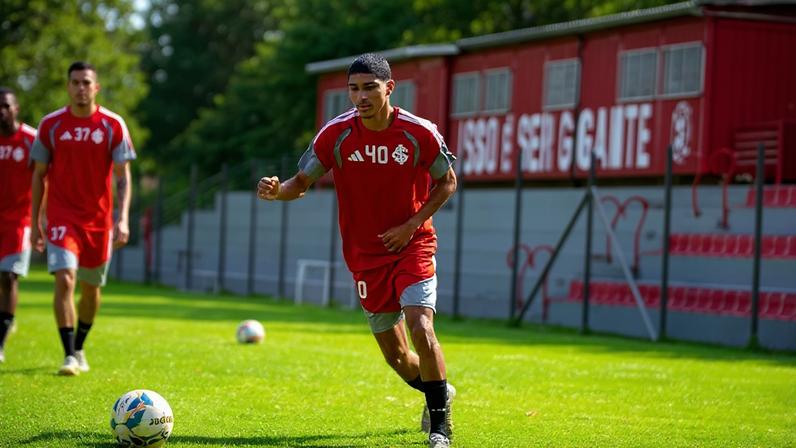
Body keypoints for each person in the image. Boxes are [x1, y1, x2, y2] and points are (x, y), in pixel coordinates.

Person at [257, 53, 458, 448]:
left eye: (369, 87)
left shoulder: (419, 133)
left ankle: (440, 427)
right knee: (397, 359)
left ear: (389, 88)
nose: (361, 96)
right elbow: (300, 182)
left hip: (413, 245)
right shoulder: (336, 134)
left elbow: (447, 182)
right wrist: (276, 192)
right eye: (353, 88)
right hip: (364, 257)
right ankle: (440, 390)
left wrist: (410, 225)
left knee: (421, 326)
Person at [30, 61, 136, 376]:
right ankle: (68, 355)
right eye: (75, 82)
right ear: (68, 86)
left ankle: (79, 346)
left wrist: (123, 218)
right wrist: (38, 219)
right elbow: (38, 176)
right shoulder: (50, 125)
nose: (80, 88)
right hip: (62, 216)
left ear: (96, 87)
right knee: (65, 277)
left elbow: (123, 177)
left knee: (91, 288)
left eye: (86, 82)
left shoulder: (112, 125)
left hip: (99, 220)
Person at [0, 87, 37, 363]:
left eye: (5, 106)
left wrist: (41, 222)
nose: (1, 111)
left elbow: (45, 181)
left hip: (19, 222)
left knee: (9, 276)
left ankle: (0, 341)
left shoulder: (31, 140)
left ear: (16, 108)